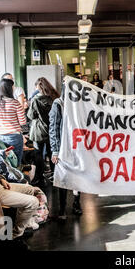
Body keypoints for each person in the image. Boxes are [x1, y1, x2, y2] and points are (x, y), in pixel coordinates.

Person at [49, 83, 82, 219]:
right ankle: (62, 208)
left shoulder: (78, 104)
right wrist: (55, 150)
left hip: (77, 147)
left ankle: (76, 203)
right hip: (63, 148)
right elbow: (53, 128)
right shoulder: (58, 104)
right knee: (63, 178)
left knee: (78, 177)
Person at [0, 78, 26, 167]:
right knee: (15, 163)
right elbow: (23, 121)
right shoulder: (15, 103)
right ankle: (16, 179)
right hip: (14, 137)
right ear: (10, 88)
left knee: (3, 162)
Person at [27, 77, 59, 186]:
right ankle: (56, 176)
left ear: (38, 87)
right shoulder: (54, 97)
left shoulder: (35, 99)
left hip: (38, 131)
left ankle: (40, 178)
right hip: (52, 130)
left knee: (38, 154)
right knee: (52, 153)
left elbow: (31, 115)